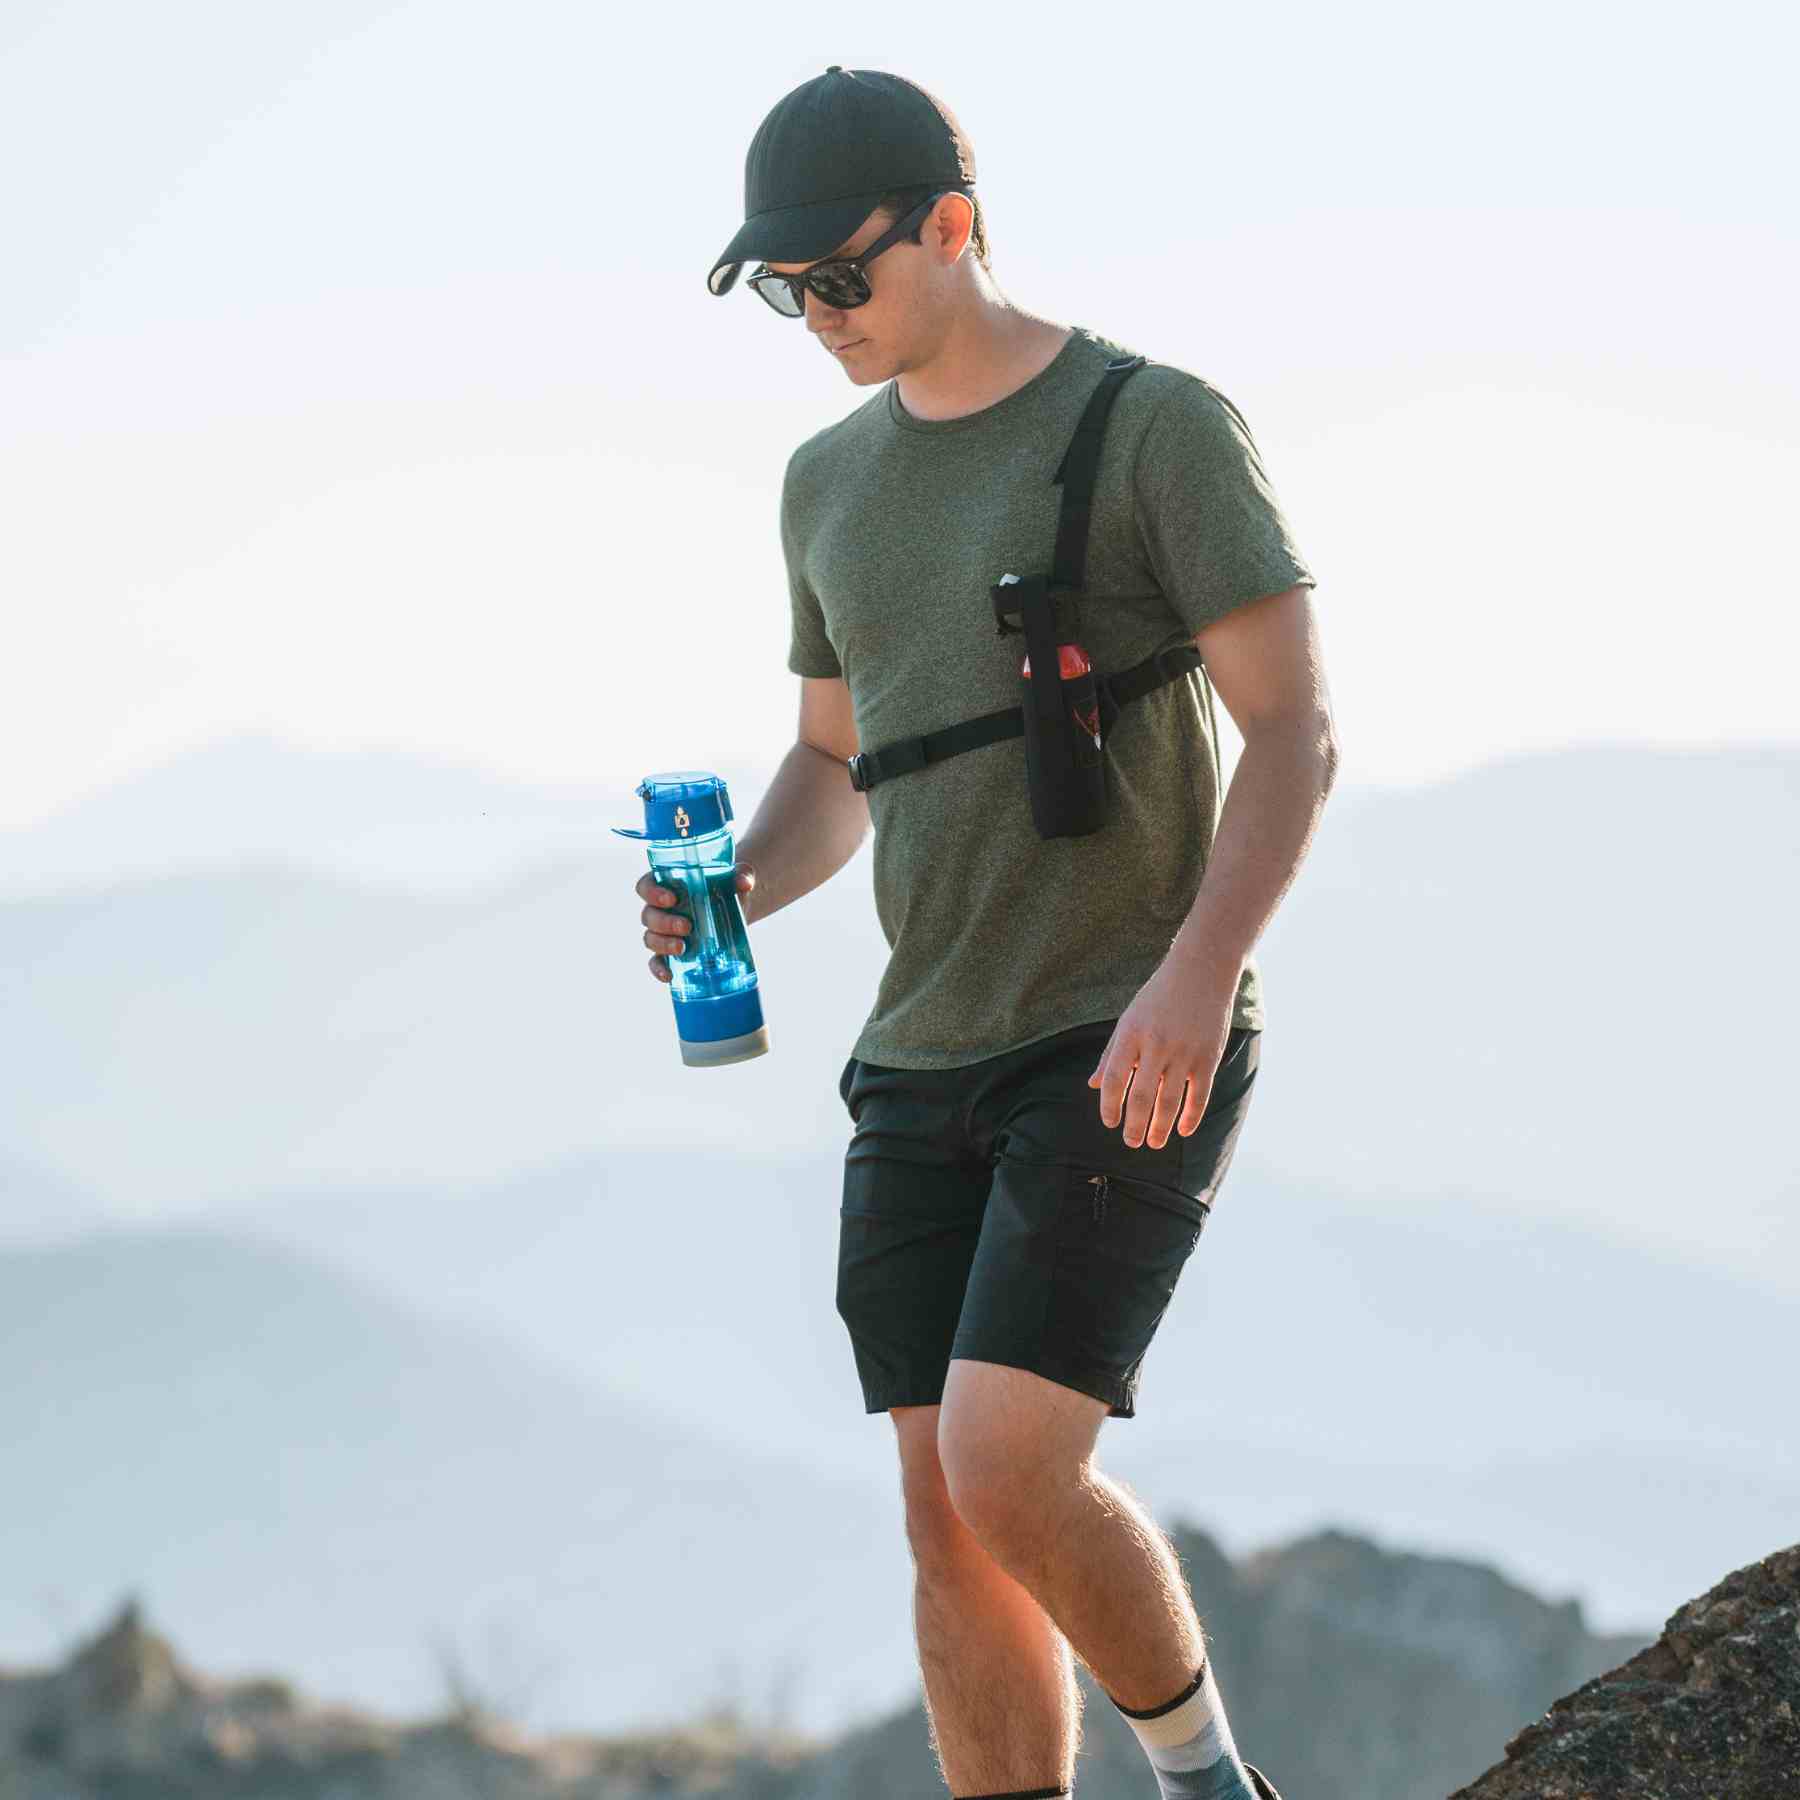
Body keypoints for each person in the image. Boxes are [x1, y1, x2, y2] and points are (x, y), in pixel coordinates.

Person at [637, 66, 1339, 1800]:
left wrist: (1196, 980)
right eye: (784, 293)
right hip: (920, 1045)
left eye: (841, 279)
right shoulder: (822, 487)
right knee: (946, 1521)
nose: (815, 319)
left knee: (1011, 1465)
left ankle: (1202, 1784)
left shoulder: (1153, 426)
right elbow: (830, 761)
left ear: (951, 228)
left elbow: (1297, 733)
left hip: (1122, 1027)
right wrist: (729, 888)